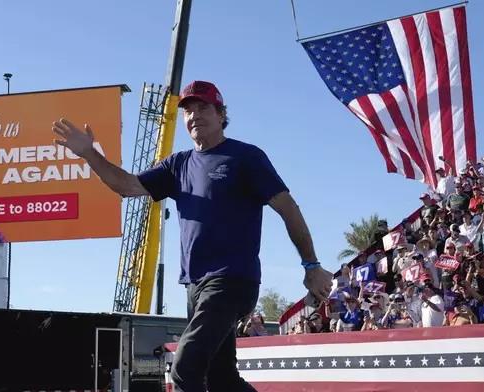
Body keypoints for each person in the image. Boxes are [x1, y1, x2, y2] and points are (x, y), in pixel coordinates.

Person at [52, 80, 333, 392]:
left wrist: (311, 265)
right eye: (188, 110)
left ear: (221, 114)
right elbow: (127, 186)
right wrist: (89, 153)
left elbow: (288, 207)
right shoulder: (178, 164)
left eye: (203, 108)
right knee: (221, 379)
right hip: (195, 286)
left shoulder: (245, 157)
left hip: (232, 280)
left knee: (185, 367)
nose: (194, 115)